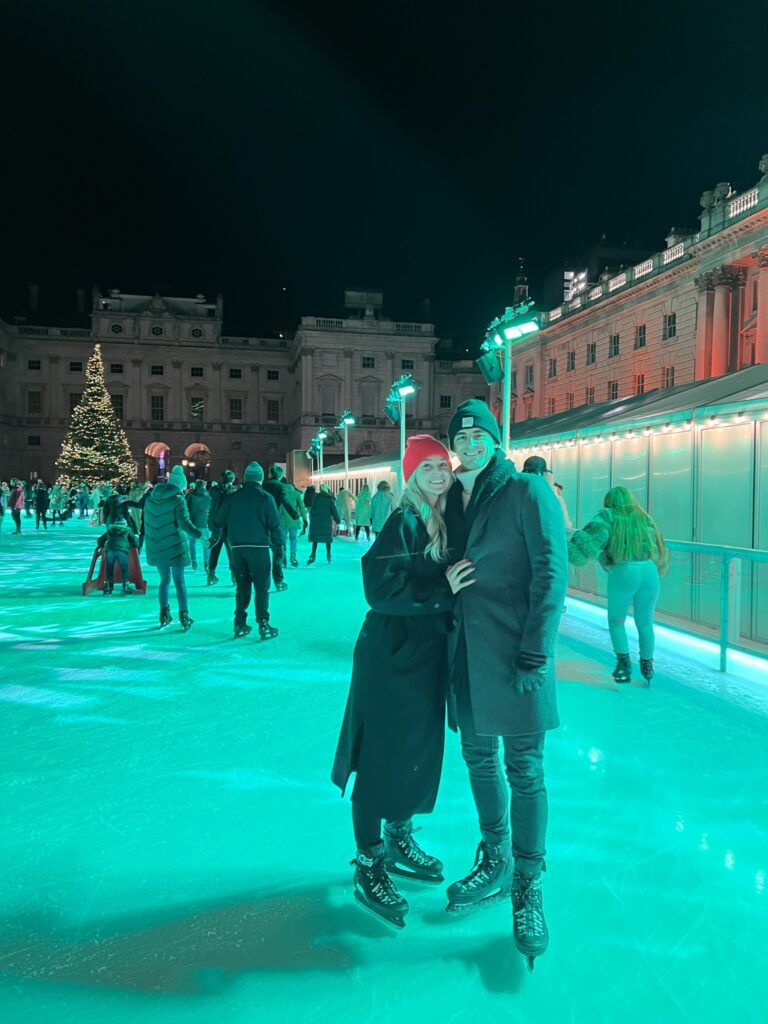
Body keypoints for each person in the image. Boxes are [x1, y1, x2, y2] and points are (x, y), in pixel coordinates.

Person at [443, 399, 568, 971]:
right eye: (460, 436)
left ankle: (528, 881)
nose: (469, 443)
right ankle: (493, 855)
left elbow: (552, 571)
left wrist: (536, 649)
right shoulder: (451, 497)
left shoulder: (527, 491)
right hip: (466, 653)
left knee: (525, 767)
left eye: (478, 435)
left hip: (518, 654)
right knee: (477, 758)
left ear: (495, 440)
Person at [332, 435, 468, 929]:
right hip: (391, 656)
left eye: (442, 465)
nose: (438, 472)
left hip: (422, 654)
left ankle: (399, 835)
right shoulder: (403, 520)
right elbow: (380, 590)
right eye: (426, 466)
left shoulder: (439, 519)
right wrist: (441, 591)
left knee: (413, 751)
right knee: (382, 757)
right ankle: (369, 860)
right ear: (411, 475)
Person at [568, 485, 669, 685]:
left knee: (617, 621)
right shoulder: (643, 518)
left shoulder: (608, 516)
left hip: (624, 571)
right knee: (645, 622)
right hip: (649, 571)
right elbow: (658, 547)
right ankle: (647, 666)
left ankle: (623, 665)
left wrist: (566, 546)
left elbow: (585, 548)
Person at [210, 461, 283, 639]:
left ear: (245, 477)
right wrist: (278, 547)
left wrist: (218, 533)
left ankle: (240, 623)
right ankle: (263, 623)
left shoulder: (233, 497)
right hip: (259, 547)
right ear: (260, 478)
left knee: (242, 587)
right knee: (261, 587)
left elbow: (217, 520)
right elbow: (274, 525)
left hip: (237, 548)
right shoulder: (266, 498)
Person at [142, 464, 202, 631]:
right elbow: (185, 523)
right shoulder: (177, 499)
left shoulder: (151, 497)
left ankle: (164, 614)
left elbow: (146, 522)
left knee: (164, 580)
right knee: (179, 581)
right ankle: (184, 616)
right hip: (175, 546)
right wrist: (200, 536)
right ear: (181, 486)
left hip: (157, 545)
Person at [207, 470, 237, 585]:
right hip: (229, 525)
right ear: (232, 480)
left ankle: (211, 573)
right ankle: (234, 576)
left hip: (215, 524)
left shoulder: (214, 490)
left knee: (215, 549)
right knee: (231, 551)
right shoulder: (233, 492)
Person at [95, 519, 139, 594]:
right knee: (124, 567)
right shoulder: (127, 529)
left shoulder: (110, 529)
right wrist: (136, 545)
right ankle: (125, 585)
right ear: (125, 524)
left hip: (110, 550)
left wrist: (100, 545)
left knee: (109, 567)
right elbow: (134, 540)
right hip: (122, 550)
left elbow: (101, 539)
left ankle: (109, 585)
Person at [278, 473, 308, 568]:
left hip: (282, 521)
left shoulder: (279, 493)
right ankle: (293, 557)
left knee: (282, 540)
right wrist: (304, 518)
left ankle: (283, 559)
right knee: (293, 539)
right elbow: (302, 507)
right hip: (294, 519)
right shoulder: (296, 493)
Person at [307, 484, 340, 564]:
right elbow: (334, 511)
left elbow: (312, 510)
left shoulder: (316, 499)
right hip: (326, 522)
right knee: (327, 540)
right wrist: (338, 520)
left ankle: (313, 554)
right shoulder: (329, 500)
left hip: (316, 522)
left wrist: (312, 520)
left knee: (315, 539)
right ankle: (328, 555)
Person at [185, 480, 211, 572]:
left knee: (192, 542)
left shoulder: (190, 496)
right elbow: (210, 509)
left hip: (191, 523)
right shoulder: (208, 497)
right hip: (203, 523)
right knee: (206, 544)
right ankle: (206, 563)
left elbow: (185, 508)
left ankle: (193, 561)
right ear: (204, 486)